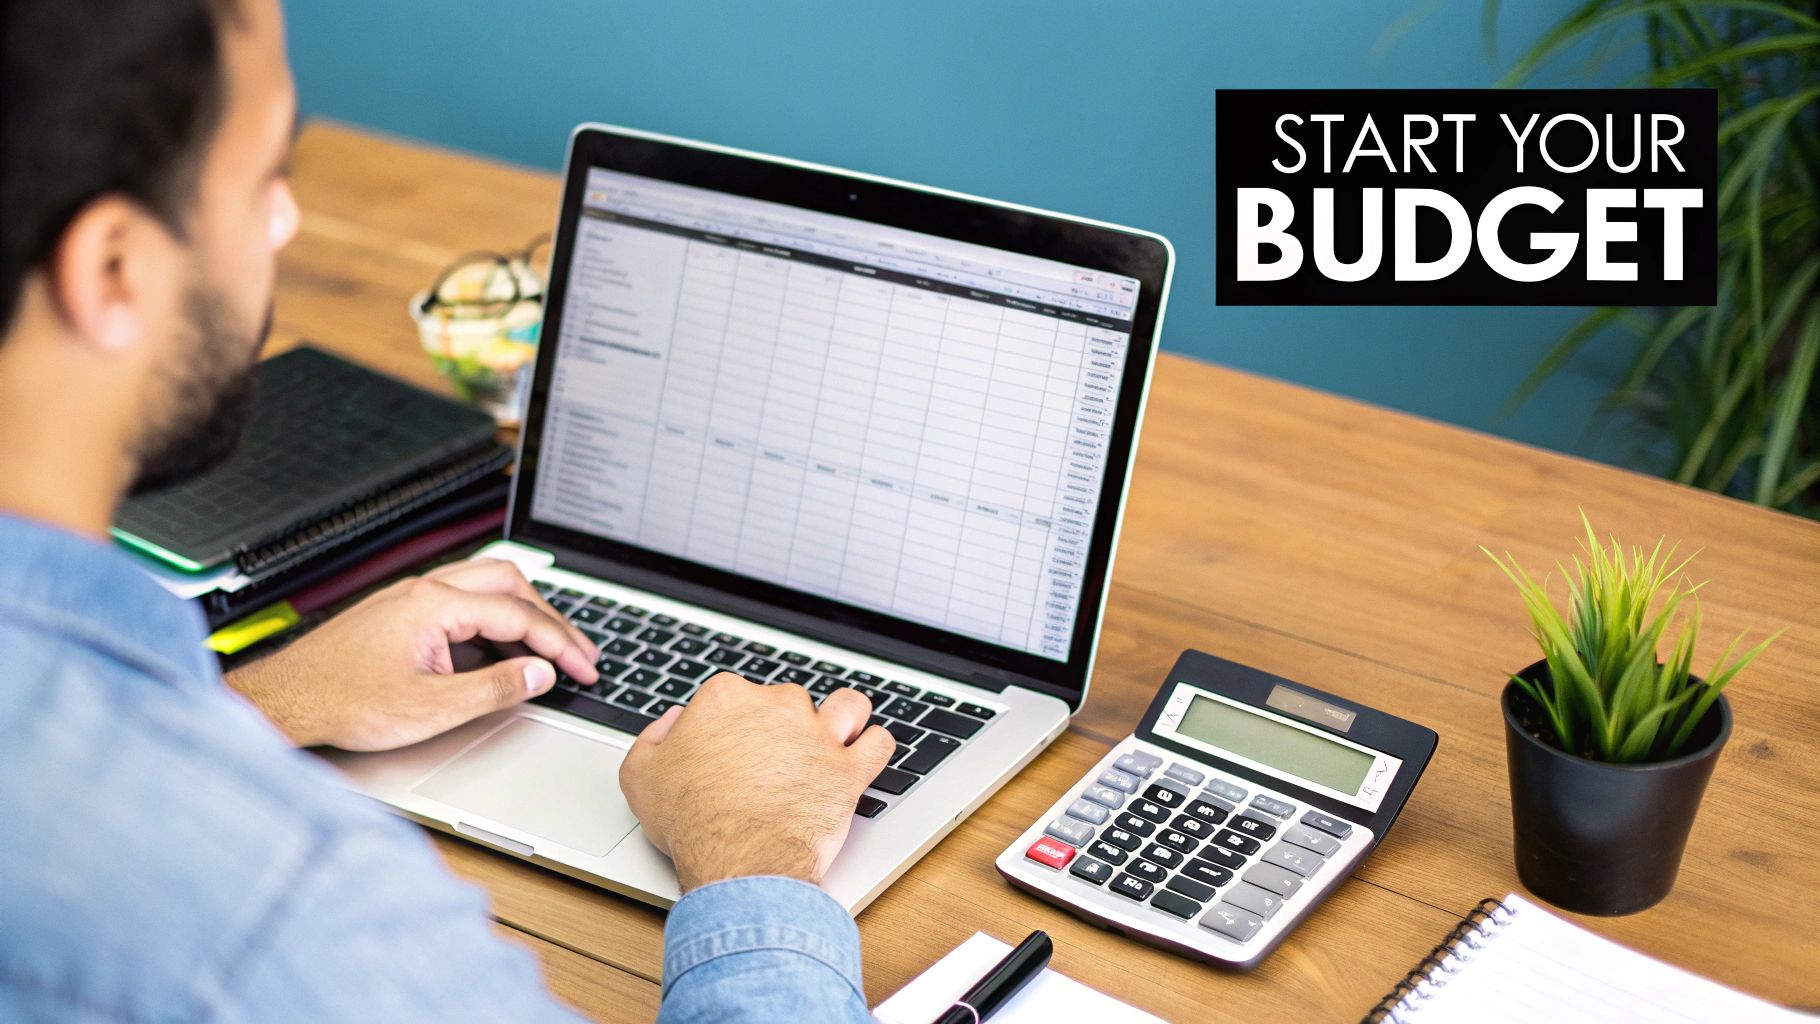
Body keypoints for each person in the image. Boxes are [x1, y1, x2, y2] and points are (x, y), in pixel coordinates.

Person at [0, 0, 896, 1019]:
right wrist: (754, 855)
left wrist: (263, 701)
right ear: (113, 270)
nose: (287, 222)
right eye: (263, 179)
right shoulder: (287, 916)